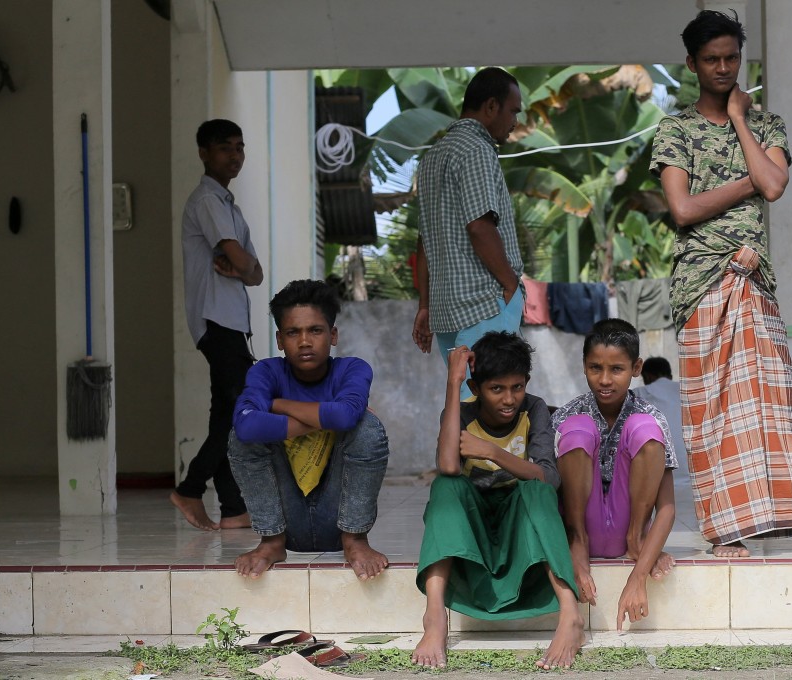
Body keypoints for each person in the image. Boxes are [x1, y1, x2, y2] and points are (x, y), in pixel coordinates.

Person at [650, 10, 792, 558]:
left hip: (753, 281)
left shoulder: (766, 126)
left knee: (776, 407)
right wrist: (749, 180)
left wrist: (738, 119)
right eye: (712, 60)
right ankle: (728, 532)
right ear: (691, 64)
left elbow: (774, 185)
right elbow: (681, 208)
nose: (724, 67)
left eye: (731, 58)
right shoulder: (675, 130)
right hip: (700, 285)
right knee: (713, 412)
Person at [412, 332, 581, 670]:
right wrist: (453, 382)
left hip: (519, 520)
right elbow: (447, 466)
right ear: (476, 389)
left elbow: (549, 477)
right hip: (474, 523)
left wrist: (492, 452)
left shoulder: (533, 409)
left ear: (526, 384)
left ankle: (571, 614)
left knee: (537, 488)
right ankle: (434, 616)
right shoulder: (460, 413)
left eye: (516, 387)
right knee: (445, 488)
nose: (509, 399)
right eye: (496, 389)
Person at [227, 279, 390, 580]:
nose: (304, 341)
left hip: (339, 518)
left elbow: (346, 419)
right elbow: (247, 426)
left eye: (315, 330)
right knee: (240, 438)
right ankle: (271, 543)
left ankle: (355, 540)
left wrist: (276, 404)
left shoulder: (352, 369)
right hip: (286, 521)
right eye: (293, 332)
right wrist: (327, 416)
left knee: (366, 427)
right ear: (279, 339)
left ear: (333, 334)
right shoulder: (266, 372)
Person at [551, 319, 678, 629]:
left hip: (628, 532)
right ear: (583, 366)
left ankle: (637, 540)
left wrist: (638, 576)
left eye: (617, 369)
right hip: (580, 530)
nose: (604, 380)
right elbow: (550, 495)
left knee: (644, 429)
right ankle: (578, 545)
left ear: (636, 367)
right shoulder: (566, 415)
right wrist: (564, 547)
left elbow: (668, 508)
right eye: (595, 368)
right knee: (578, 428)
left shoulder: (651, 416)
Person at [171, 119, 263, 531]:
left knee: (225, 414)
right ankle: (190, 489)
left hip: (231, 323)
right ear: (204, 153)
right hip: (216, 320)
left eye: (240, 147)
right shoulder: (207, 201)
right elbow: (244, 262)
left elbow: (256, 273)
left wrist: (242, 268)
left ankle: (233, 508)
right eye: (225, 147)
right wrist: (241, 265)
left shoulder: (230, 207)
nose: (235, 155)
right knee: (240, 411)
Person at [411, 67, 525, 399]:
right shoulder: (476, 149)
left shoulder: (432, 158)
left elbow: (425, 239)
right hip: (484, 302)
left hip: (446, 309)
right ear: (491, 106)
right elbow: (479, 226)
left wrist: (425, 305)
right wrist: (510, 283)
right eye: (513, 110)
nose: (515, 121)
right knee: (492, 409)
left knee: (463, 408)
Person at [633, 356, 687, 461]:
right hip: (691, 472)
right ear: (670, 376)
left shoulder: (638, 394)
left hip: (658, 472)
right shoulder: (686, 390)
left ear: (647, 377)